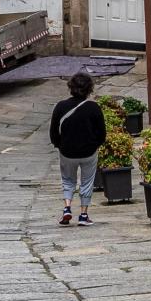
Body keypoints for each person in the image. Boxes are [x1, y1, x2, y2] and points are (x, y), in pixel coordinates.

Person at [49, 71, 107, 226]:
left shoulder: (61, 107)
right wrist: (95, 144)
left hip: (67, 152)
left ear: (71, 87)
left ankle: (67, 208)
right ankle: (83, 215)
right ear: (90, 89)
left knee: (68, 181)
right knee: (87, 182)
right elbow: (102, 133)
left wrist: (59, 145)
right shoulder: (94, 108)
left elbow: (53, 132)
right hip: (88, 152)